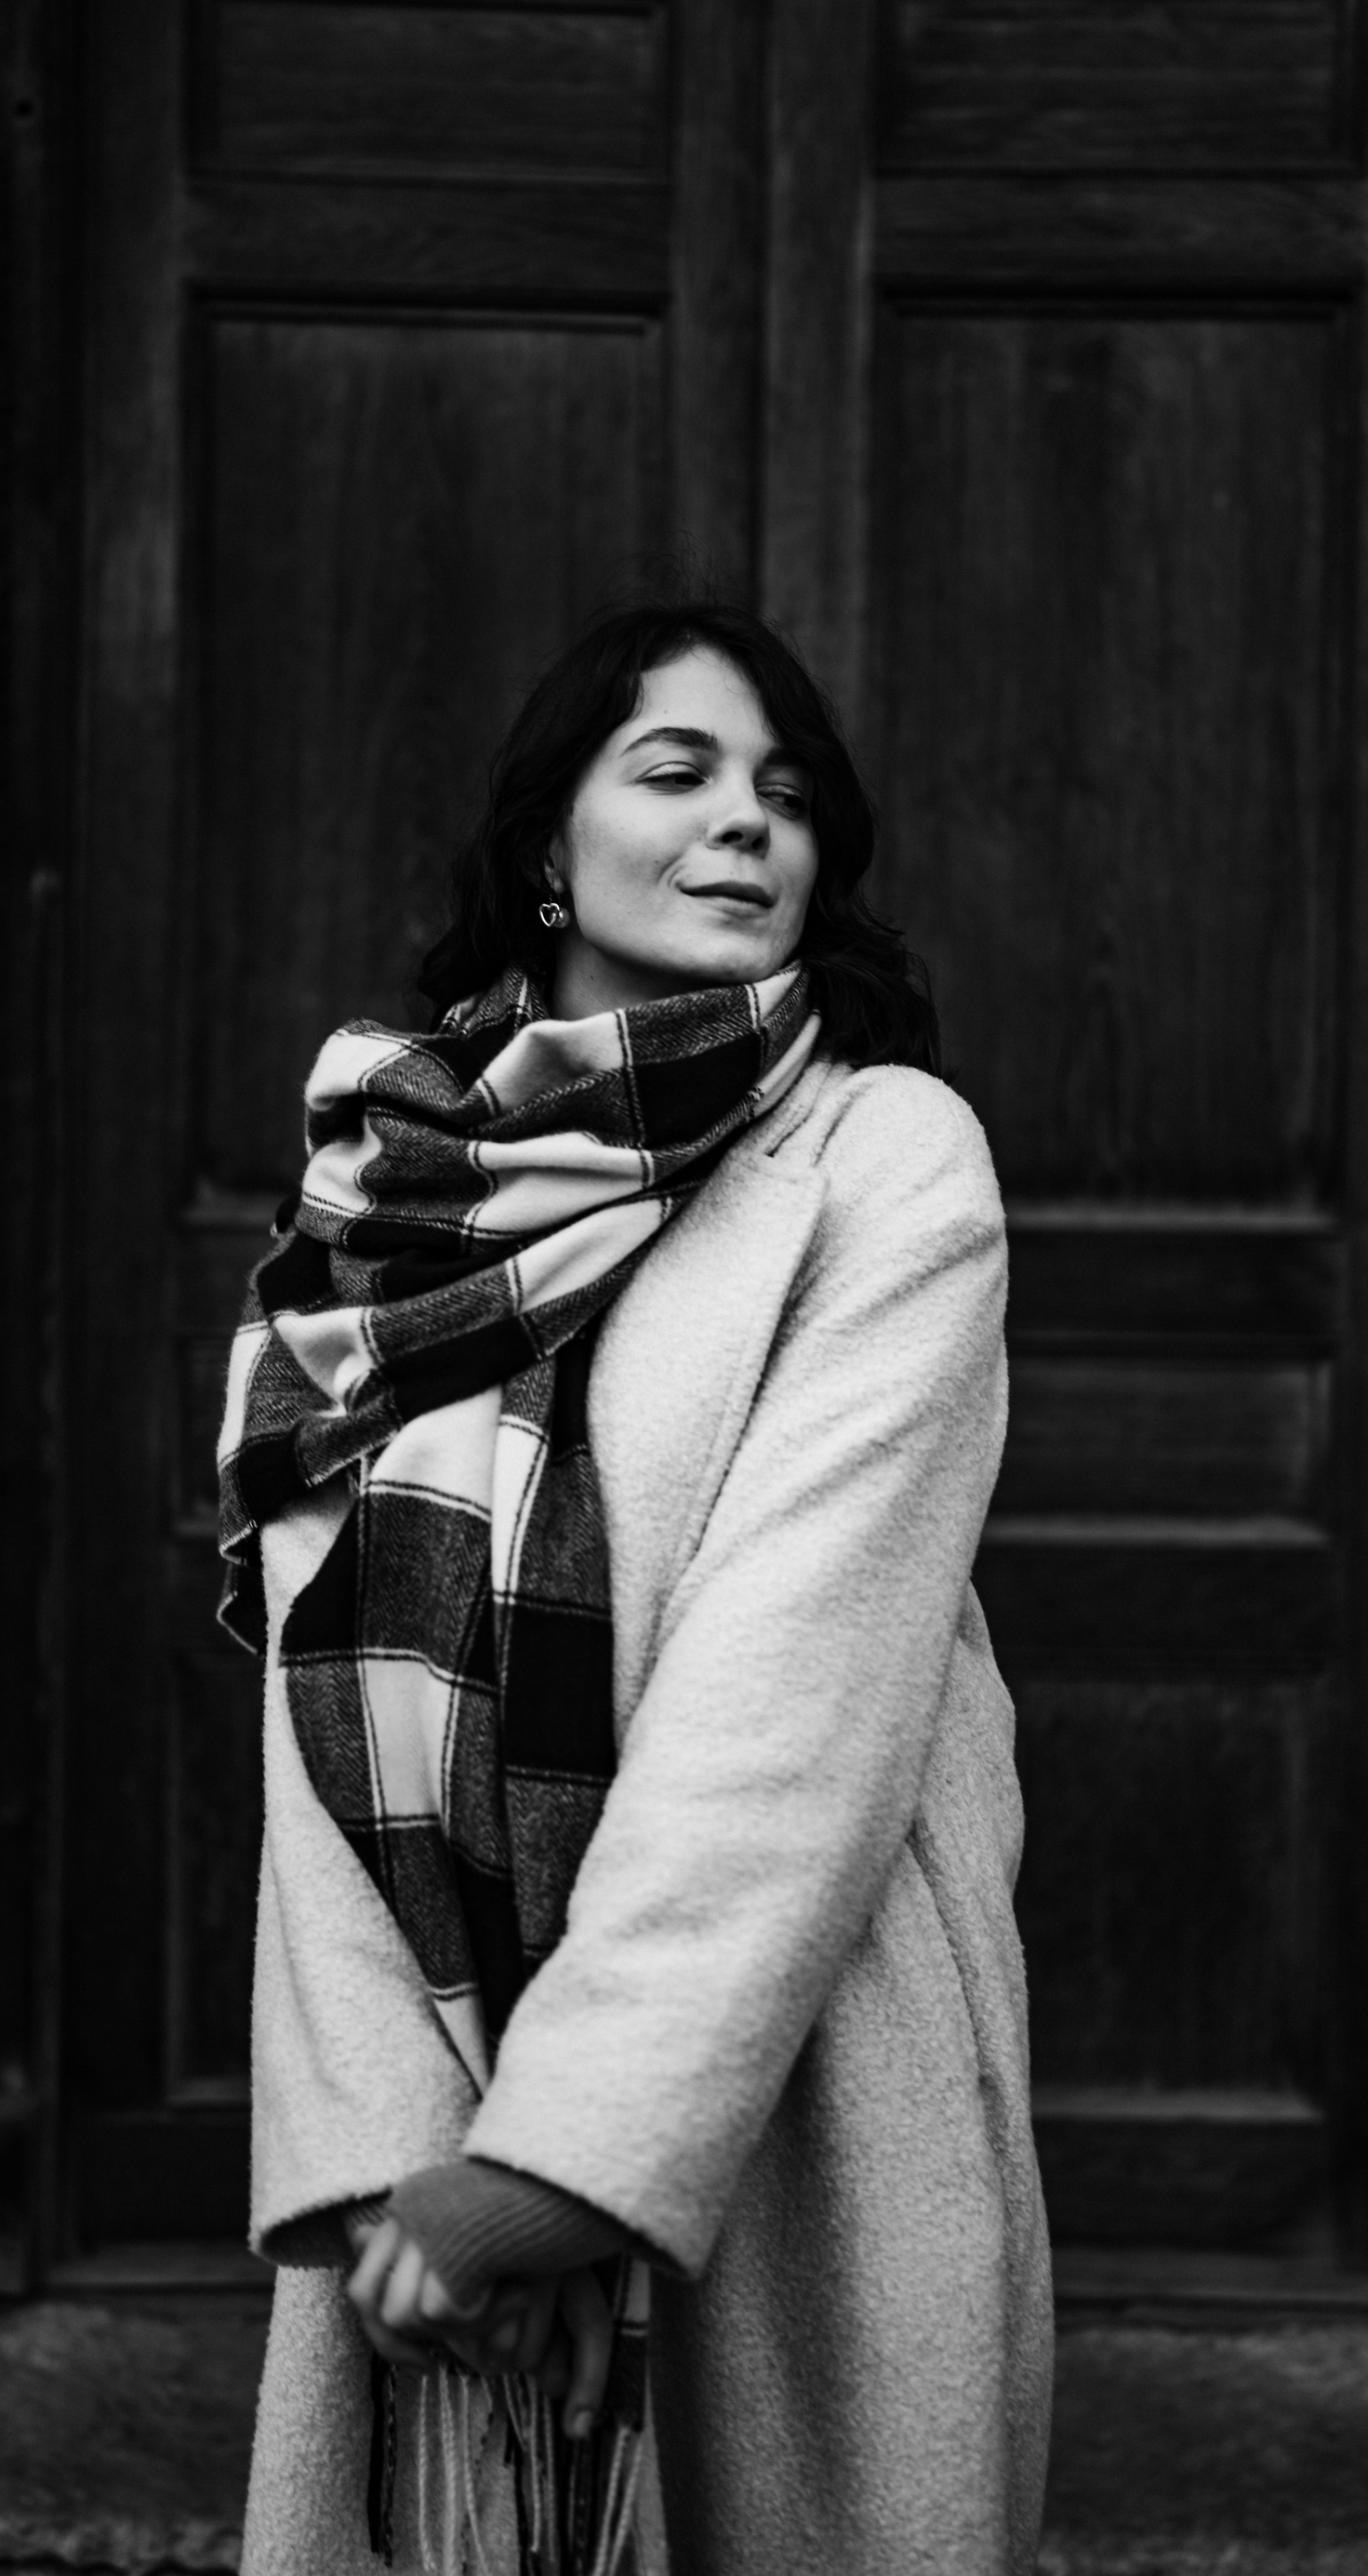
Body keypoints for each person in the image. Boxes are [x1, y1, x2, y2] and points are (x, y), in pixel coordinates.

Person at [220, 602, 1053, 2576]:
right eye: (676, 772)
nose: (747, 821)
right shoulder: (387, 1186)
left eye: (787, 794)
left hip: (794, 2073)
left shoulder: (884, 1160)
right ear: (548, 844)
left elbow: (794, 1693)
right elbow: (327, 1700)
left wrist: (563, 2171)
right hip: (437, 2109)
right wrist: (395, 2170)